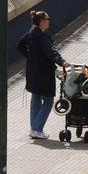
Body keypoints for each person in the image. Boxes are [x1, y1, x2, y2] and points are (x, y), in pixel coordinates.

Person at [16, 10, 66, 140]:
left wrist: (30, 58)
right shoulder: (42, 37)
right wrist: (62, 62)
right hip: (44, 73)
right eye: (47, 19)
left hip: (33, 72)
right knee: (48, 101)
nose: (49, 21)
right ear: (42, 21)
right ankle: (37, 128)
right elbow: (51, 52)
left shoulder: (31, 33)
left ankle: (34, 129)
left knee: (36, 98)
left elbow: (20, 45)